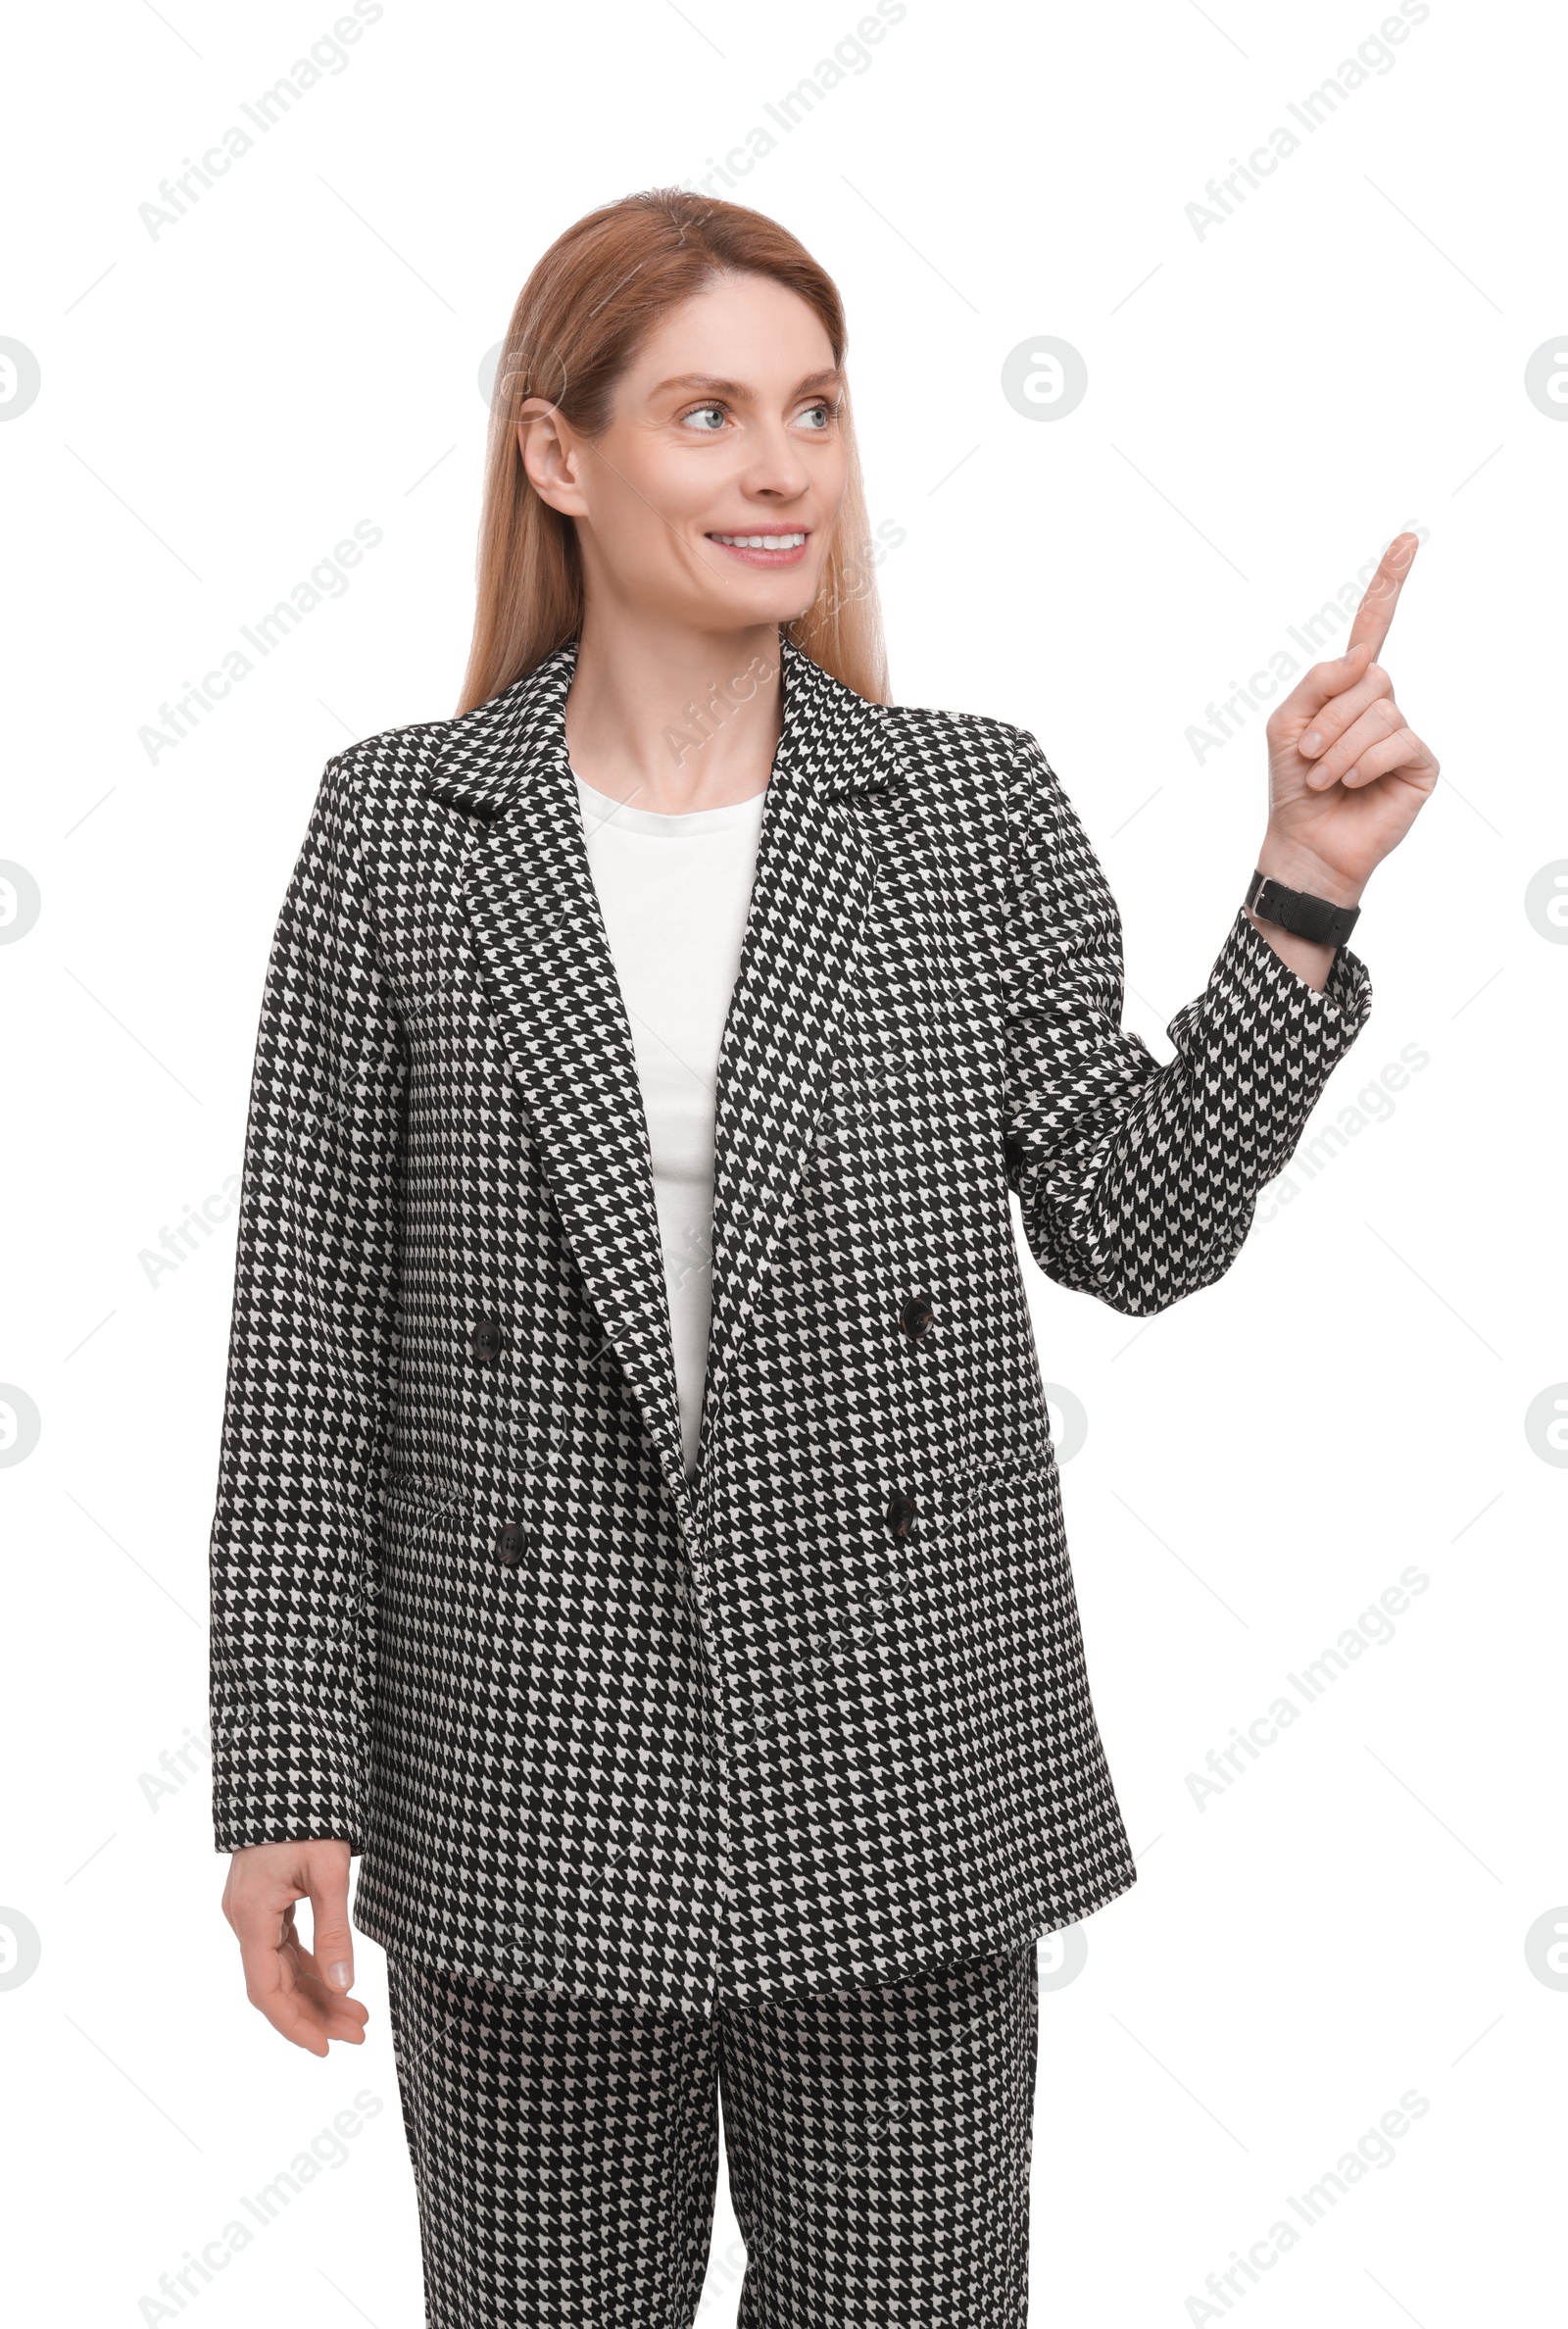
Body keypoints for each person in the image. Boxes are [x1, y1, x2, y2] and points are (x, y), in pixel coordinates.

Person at [209, 188, 1439, 2327]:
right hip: (524, 1778)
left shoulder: (959, 809)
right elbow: (303, 1351)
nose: (781, 467)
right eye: (707, 412)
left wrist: (1298, 893)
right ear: (557, 452)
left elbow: (1127, 1227)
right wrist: (282, 1776)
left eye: (814, 410)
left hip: (900, 1769)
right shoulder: (401, 826)